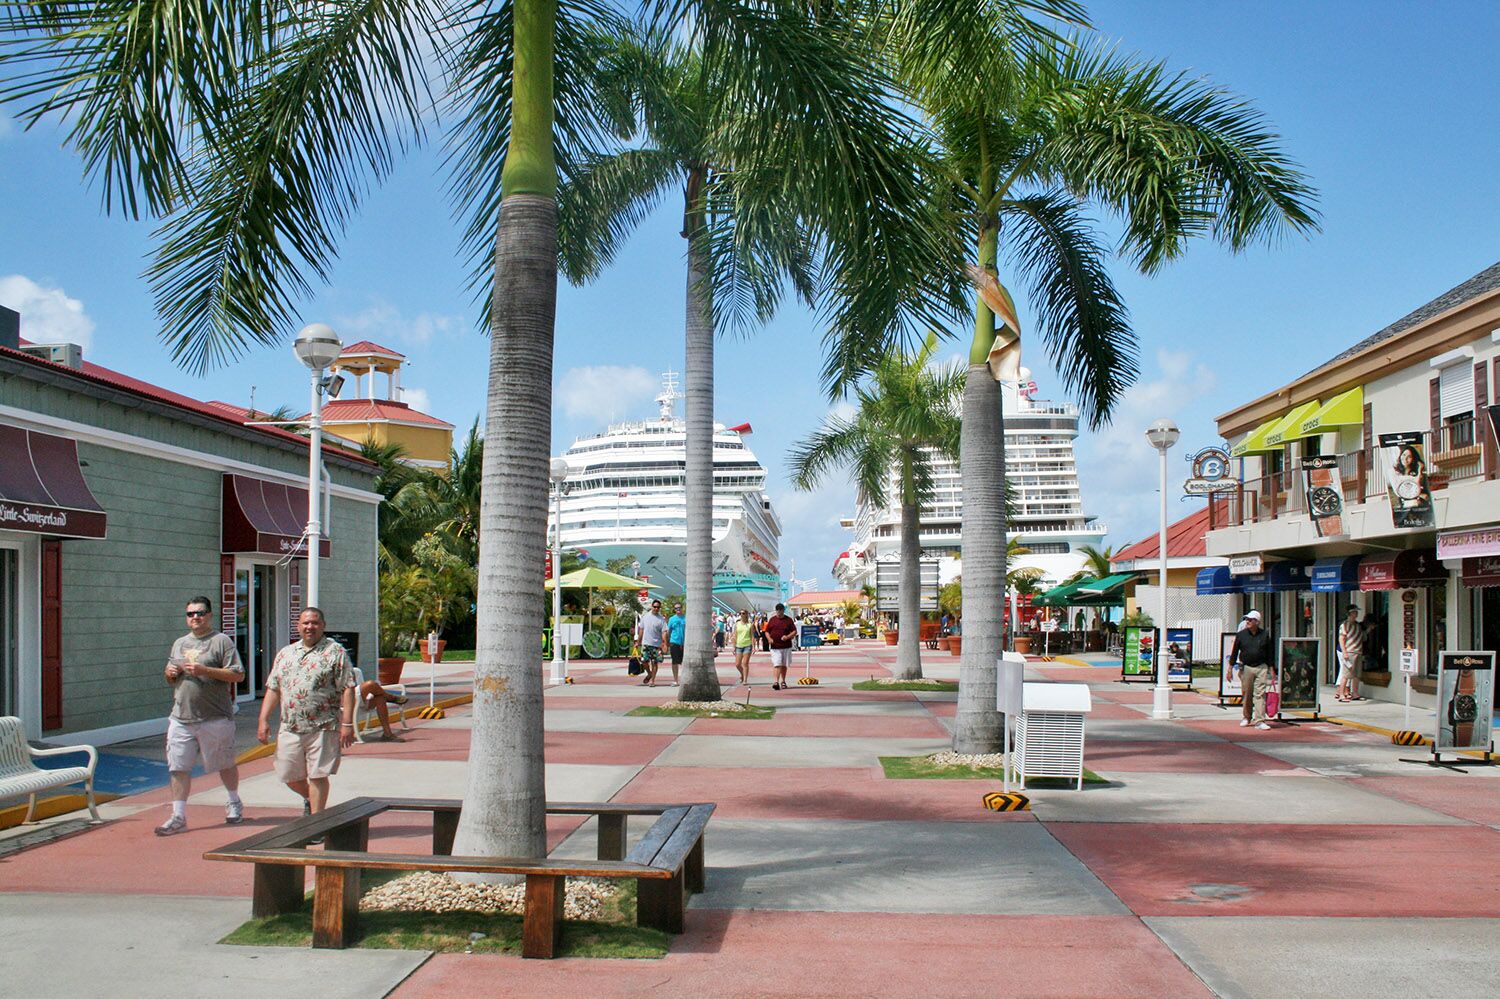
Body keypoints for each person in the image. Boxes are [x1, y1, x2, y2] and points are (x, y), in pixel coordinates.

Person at [155, 596, 245, 836]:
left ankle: (234, 801)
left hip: (215, 717)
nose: (196, 617)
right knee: (178, 767)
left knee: (224, 763)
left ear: (210, 615)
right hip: (181, 717)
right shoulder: (179, 643)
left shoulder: (221, 641)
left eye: (200, 613)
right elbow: (170, 677)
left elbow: (238, 675)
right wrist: (170, 673)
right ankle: (178, 815)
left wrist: (206, 670)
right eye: (191, 614)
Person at [257, 607, 356, 815]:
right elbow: (274, 688)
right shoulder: (286, 653)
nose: (309, 627)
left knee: (318, 775)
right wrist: (263, 720)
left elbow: (347, 687)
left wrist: (347, 724)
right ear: (298, 626)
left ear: (323, 626)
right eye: (305, 623)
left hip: (323, 726)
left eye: (314, 623)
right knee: (288, 775)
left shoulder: (335, 652)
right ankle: (310, 799)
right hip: (290, 727)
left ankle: (316, 823)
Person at [1230, 609, 1274, 730]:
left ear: (1257, 622)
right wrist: (1230, 668)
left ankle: (1260, 720)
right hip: (1246, 667)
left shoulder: (1264, 635)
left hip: (1261, 667)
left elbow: (1270, 653)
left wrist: (1271, 669)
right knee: (1247, 693)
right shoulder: (1241, 635)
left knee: (1260, 694)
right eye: (1247, 619)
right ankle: (1247, 717)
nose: (1247, 621)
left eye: (1250, 620)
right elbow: (1234, 652)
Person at [635, 599, 668, 687]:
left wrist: (664, 643)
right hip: (646, 643)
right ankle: (649, 673)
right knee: (644, 661)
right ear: (651, 607)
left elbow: (664, 632)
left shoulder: (661, 619)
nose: (656, 608)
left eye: (658, 607)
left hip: (656, 644)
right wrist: (638, 642)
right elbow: (641, 630)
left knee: (655, 663)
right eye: (655, 607)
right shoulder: (645, 617)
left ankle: (652, 680)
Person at [765, 603, 798, 690]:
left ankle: (783, 681)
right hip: (775, 646)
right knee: (777, 664)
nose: (779, 612)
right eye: (777, 610)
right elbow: (767, 631)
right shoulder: (772, 620)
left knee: (784, 665)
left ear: (783, 610)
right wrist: (769, 639)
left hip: (786, 646)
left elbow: (794, 631)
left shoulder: (788, 620)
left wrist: (787, 637)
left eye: (780, 610)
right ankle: (776, 682)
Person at [1336, 606, 1363, 703]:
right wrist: (1344, 652)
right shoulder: (1345, 625)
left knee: (1357, 674)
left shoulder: (1358, 625)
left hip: (1358, 651)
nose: (1356, 614)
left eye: (1356, 612)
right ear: (1349, 614)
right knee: (1346, 674)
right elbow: (1341, 639)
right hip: (1350, 651)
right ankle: (1342, 694)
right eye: (1354, 612)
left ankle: (1355, 693)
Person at [666, 603, 687, 686]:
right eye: (676, 608)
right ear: (674, 610)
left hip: (685, 643)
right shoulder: (672, 619)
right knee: (675, 662)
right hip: (674, 642)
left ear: (682, 608)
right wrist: (667, 642)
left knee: (685, 662)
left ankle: (685, 679)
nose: (678, 609)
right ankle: (675, 680)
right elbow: (669, 631)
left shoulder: (686, 618)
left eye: (679, 608)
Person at [733, 610, 756, 684]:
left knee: (745, 663)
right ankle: (742, 674)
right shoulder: (737, 624)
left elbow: (752, 636)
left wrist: (754, 647)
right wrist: (734, 646)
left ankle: (745, 680)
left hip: (747, 645)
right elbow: (735, 635)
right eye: (740, 613)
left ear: (746, 614)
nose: (741, 614)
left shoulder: (750, 624)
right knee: (737, 664)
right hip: (739, 645)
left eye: (743, 613)